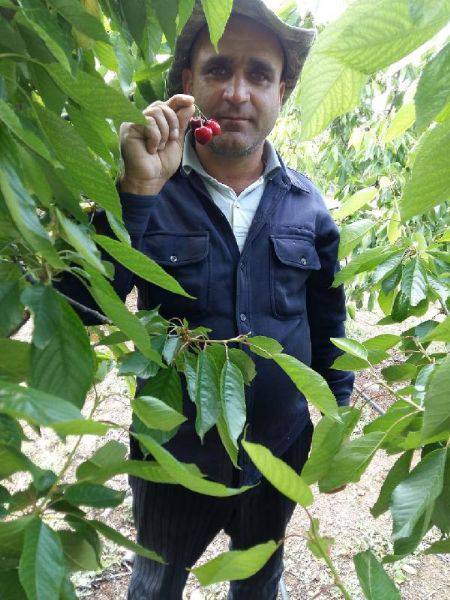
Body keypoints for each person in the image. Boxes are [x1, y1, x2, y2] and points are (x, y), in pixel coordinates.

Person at [58, 1, 355, 597]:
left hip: (279, 449)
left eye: (259, 74)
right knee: (156, 581)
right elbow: (82, 309)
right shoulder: (148, 187)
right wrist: (137, 190)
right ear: (189, 84)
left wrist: (336, 422)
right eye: (219, 70)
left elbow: (329, 320)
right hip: (175, 458)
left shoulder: (308, 206)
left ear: (283, 91)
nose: (238, 92)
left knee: (259, 576)